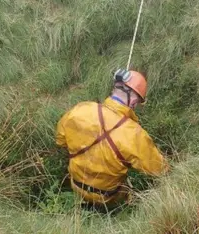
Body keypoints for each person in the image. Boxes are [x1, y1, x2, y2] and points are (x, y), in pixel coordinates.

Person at [55, 69, 168, 210]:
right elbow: (159, 170)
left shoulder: (79, 110)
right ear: (133, 102)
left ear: (115, 87)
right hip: (107, 196)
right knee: (127, 188)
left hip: (77, 185)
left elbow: (60, 140)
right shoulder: (135, 134)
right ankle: (116, 211)